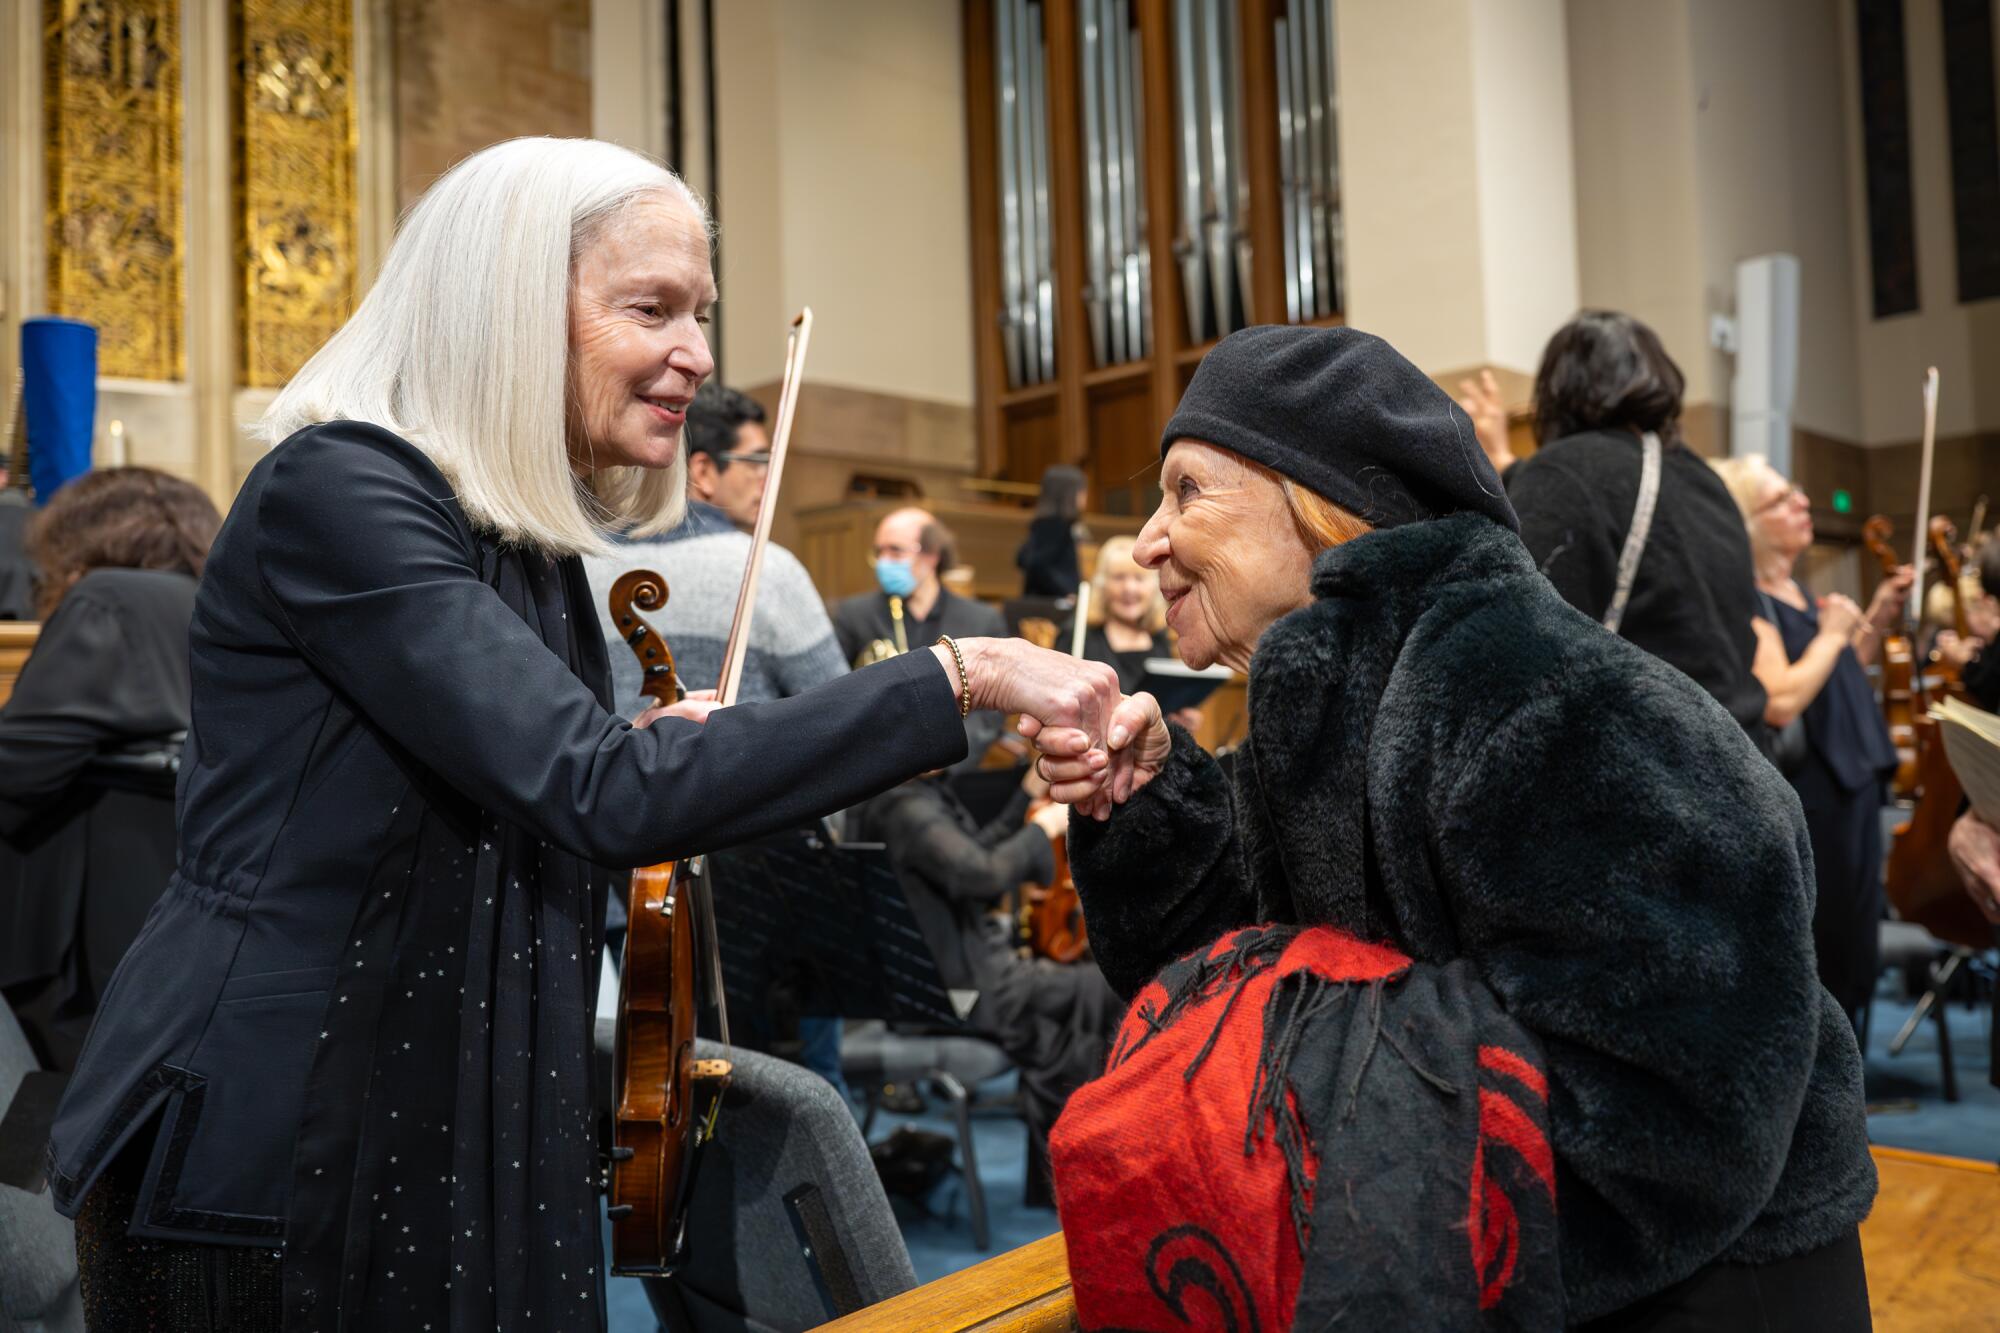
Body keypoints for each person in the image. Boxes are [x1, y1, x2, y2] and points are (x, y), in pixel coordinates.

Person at [43, 137, 1127, 1333]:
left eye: (703, 313)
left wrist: (657, 741)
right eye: (650, 308)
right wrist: (961, 671)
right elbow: (598, 789)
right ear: (503, 307)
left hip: (448, 1109)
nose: (697, 356)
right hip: (275, 1144)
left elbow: (537, 785)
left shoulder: (518, 534)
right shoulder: (340, 489)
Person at [1034, 325, 1875, 1327]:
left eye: (1186, 490)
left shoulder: (1547, 694)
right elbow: (1242, 1001)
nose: (1145, 539)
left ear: (1316, 502)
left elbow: (1684, 1109)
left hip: (1703, 1289)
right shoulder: (1326, 702)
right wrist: (1146, 808)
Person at [1458, 312, 1770, 747]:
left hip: (1653, 768)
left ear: (1558, 387)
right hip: (1746, 765)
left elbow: (1518, 639)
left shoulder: (1567, 469)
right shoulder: (1704, 479)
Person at [0, 467, 220, 1071]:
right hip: (189, 902)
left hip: (92, 916)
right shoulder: (219, 597)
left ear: (82, 532)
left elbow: (17, 770)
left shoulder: (109, 599)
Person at [857, 763, 1119, 1207]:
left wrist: (1024, 795)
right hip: (960, 992)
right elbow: (982, 875)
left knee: (1073, 1035)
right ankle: (1071, 1182)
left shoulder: (914, 798)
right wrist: (1046, 828)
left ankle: (1064, 1183)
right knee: (1110, 991)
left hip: (974, 977)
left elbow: (973, 855)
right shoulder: (903, 808)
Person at [1710, 455, 1909, 1022]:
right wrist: (1833, 634)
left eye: (1795, 491)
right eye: (1779, 500)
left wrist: (1872, 619)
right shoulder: (1753, 602)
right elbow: (1781, 700)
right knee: (1828, 949)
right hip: (1817, 796)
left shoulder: (1797, 590)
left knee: (1855, 945)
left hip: (1855, 784)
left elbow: (1835, 679)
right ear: (1746, 524)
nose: (1801, 502)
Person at [832, 507, 1008, 766]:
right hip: (877, 770)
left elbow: (990, 714)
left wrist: (943, 757)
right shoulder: (853, 614)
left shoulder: (981, 620)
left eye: (895, 550)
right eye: (878, 552)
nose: (883, 562)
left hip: (953, 771)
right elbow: (837, 697)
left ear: (932, 555)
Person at [1059, 534, 1201, 732]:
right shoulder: (1078, 635)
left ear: (1153, 587)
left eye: (1139, 578)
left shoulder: (1160, 639)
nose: (1129, 588)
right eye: (1119, 578)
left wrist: (1179, 724)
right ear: (1102, 585)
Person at [680, 380, 771, 533]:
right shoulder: (769, 557)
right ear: (703, 472)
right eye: (755, 462)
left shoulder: (627, 552)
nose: (768, 482)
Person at [1016, 463, 1086, 596]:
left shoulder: (1048, 523)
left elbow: (1022, 557)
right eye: (1082, 491)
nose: (1084, 497)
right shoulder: (1054, 525)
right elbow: (1036, 565)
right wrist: (1066, 592)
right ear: (1069, 494)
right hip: (1050, 603)